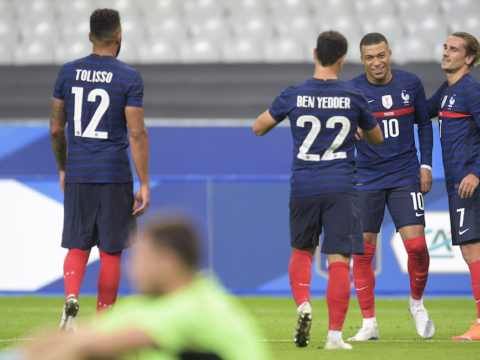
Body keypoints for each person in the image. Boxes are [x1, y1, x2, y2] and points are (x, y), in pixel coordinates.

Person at [253, 30, 383, 350]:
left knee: (302, 251)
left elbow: (258, 127)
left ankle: (303, 306)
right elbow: (377, 138)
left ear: (314, 53)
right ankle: (335, 337)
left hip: (304, 185)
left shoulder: (293, 94)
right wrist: (355, 128)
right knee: (339, 259)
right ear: (342, 59)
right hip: (341, 185)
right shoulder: (354, 95)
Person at [0, 218, 270, 360]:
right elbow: (73, 338)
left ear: (167, 263)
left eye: (140, 258)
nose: (132, 269)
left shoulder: (195, 307)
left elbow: (91, 346)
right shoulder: (152, 304)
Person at [50, 8, 150, 332]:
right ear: (119, 36)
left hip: (78, 172)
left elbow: (55, 128)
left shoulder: (67, 73)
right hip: (114, 174)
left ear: (90, 36)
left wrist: (64, 168)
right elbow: (136, 133)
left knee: (77, 246)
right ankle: (104, 325)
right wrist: (144, 183)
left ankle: (70, 297)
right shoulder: (128, 77)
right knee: (110, 253)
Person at [346, 33, 435, 341]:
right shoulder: (353, 89)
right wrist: (350, 128)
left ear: (390, 53)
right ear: (362, 60)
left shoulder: (411, 83)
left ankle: (416, 303)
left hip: (404, 174)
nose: (376, 62)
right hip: (367, 177)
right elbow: (341, 128)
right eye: (369, 57)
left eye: (381, 55)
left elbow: (424, 123)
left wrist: (426, 164)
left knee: (417, 247)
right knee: (363, 253)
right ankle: (369, 325)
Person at [427, 32, 480, 341]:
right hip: (456, 184)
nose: (445, 52)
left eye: (453, 49)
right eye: (445, 47)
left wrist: (476, 172)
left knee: (472, 249)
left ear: (469, 58)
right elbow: (419, 112)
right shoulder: (448, 91)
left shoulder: (471, 92)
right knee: (470, 249)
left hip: (468, 184)